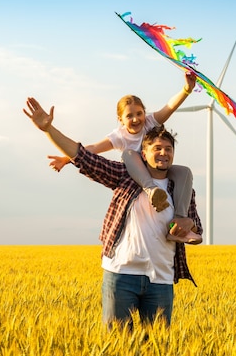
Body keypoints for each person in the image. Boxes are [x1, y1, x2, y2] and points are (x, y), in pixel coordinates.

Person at [24, 97, 203, 329]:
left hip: (161, 279)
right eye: (156, 148)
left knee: (159, 346)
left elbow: (197, 227)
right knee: (117, 343)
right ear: (143, 153)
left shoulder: (181, 187)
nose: (163, 153)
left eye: (168, 149)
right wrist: (49, 130)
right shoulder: (124, 176)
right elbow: (84, 157)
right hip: (121, 274)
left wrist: (188, 225)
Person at [47, 71, 200, 244]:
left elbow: (170, 107)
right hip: (137, 174)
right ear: (120, 119)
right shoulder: (119, 136)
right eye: (129, 116)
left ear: (145, 113)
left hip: (156, 167)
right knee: (129, 154)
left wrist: (186, 89)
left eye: (139, 113)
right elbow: (93, 148)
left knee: (184, 173)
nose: (136, 119)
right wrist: (66, 159)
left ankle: (178, 223)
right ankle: (152, 191)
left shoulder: (151, 122)